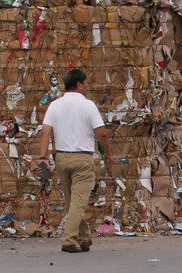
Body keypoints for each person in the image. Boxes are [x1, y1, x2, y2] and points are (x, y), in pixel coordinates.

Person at [35, 68, 112, 253]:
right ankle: (68, 240)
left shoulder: (54, 105)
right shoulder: (88, 105)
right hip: (82, 159)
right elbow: (102, 133)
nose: (87, 87)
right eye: (86, 83)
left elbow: (45, 132)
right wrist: (108, 154)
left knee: (72, 201)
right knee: (79, 201)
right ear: (79, 84)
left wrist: (43, 157)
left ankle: (83, 237)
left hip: (61, 158)